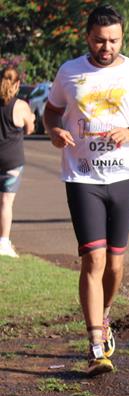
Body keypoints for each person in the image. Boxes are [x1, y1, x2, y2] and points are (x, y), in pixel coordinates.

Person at [43, 4, 129, 376]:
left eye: (113, 40)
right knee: (92, 260)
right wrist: (54, 131)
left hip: (124, 177)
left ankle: (105, 316)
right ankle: (96, 346)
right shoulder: (70, 72)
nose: (106, 47)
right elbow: (51, 112)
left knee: (115, 264)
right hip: (82, 178)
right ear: (88, 37)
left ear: (121, 38)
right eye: (99, 40)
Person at [0, 66, 35, 258]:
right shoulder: (20, 106)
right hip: (12, 161)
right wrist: (32, 119)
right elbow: (29, 128)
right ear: (17, 84)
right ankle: (3, 242)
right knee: (6, 202)